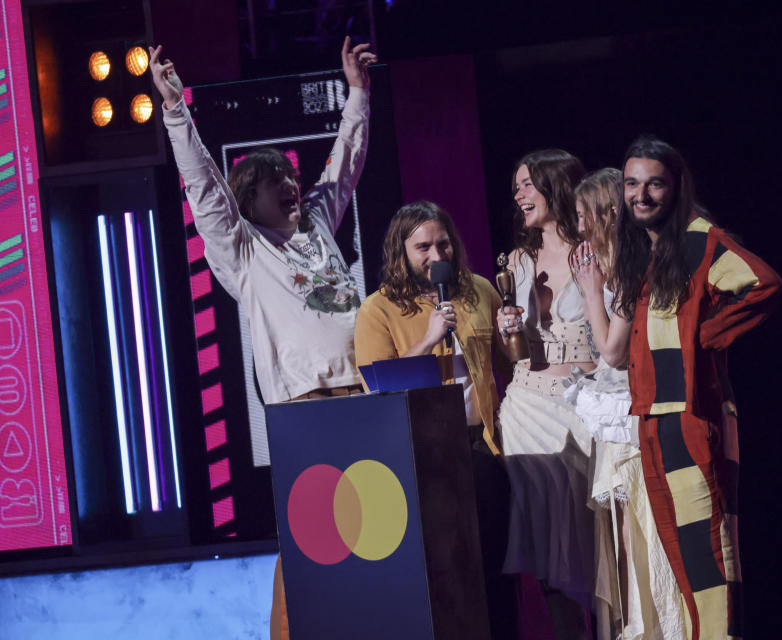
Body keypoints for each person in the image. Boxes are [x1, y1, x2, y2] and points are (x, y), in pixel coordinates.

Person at [149, 39, 377, 640]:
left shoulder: (319, 225)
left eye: (291, 175)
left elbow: (344, 160)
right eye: (275, 179)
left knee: (378, 528)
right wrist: (176, 110)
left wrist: (357, 92)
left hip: (370, 395)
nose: (291, 184)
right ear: (248, 199)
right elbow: (203, 188)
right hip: (305, 408)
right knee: (312, 538)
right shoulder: (244, 250)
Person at [580, 136, 782, 640]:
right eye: (632, 184)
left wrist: (706, 336)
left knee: (708, 551)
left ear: (675, 188)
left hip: (694, 414)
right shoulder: (645, 252)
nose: (640, 195)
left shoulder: (699, 239)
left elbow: (764, 283)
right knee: (681, 553)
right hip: (652, 415)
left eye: (654, 184)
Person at [353, 200, 517, 640]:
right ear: (401, 251)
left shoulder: (478, 290)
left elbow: (511, 363)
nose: (437, 256)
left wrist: (512, 330)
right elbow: (376, 387)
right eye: (423, 247)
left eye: (443, 243)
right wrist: (427, 340)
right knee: (444, 571)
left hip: (482, 445)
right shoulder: (378, 309)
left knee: (495, 563)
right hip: (421, 451)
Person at [568, 169, 684, 640]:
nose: (579, 229)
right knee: (628, 544)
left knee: (651, 540)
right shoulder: (616, 263)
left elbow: (612, 350)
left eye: (582, 217)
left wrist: (592, 294)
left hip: (635, 419)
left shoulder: (632, 265)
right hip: (620, 414)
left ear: (608, 214)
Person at [496, 149, 596, 639]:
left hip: (583, 404)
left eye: (528, 184)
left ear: (556, 185)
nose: (519, 195)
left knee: (593, 535)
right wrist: (507, 325)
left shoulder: (595, 248)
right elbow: (514, 351)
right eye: (516, 186)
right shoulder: (517, 260)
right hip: (527, 406)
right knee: (547, 542)